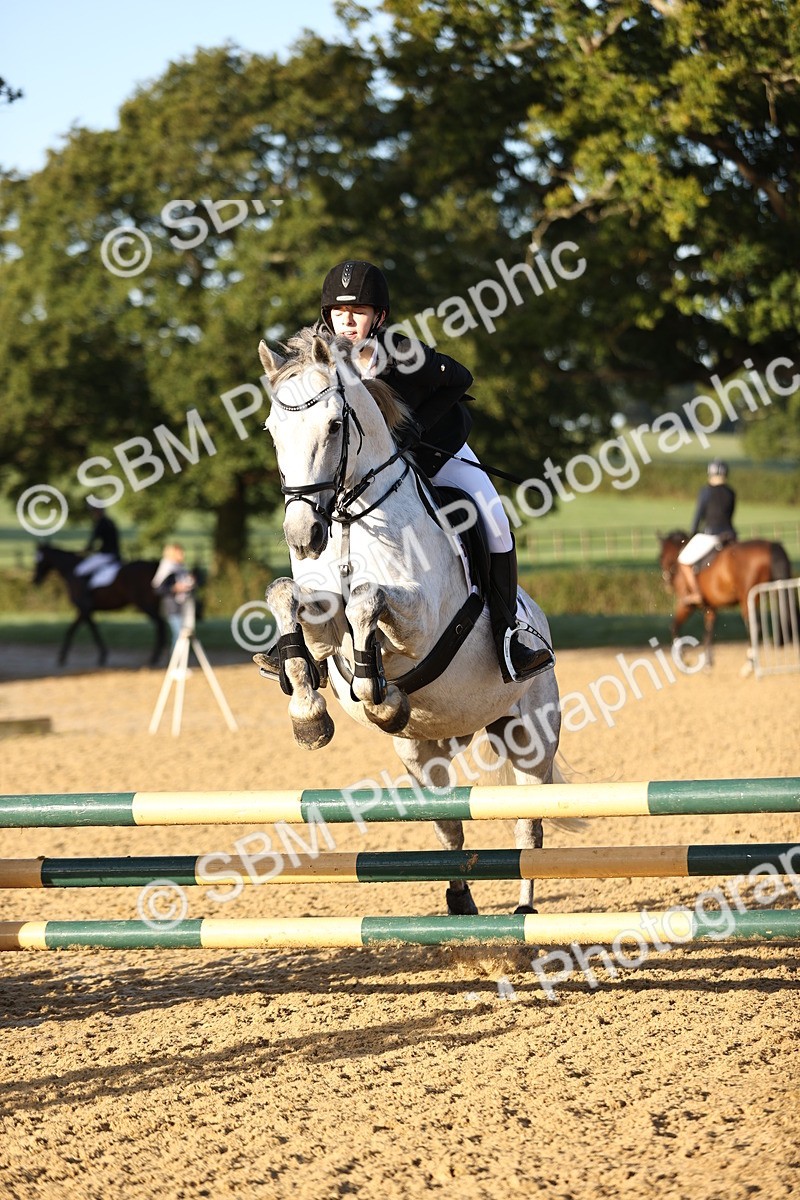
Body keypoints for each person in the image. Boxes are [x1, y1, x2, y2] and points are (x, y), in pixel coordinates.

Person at [315, 258, 554, 682]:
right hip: (373, 473)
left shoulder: (402, 353)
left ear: (379, 317)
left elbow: (461, 378)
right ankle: (300, 644)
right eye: (338, 312)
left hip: (439, 451)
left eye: (357, 312)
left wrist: (415, 429)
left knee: (495, 522)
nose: (346, 321)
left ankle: (509, 636)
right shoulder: (325, 366)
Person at [676, 460, 737, 605]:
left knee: (683, 560)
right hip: (730, 535)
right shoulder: (731, 492)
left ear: (710, 474)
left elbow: (698, 515)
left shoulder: (706, 491)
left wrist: (692, 534)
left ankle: (696, 593)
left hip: (711, 535)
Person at [72, 498, 122, 609]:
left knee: (79, 571)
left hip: (106, 555)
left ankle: (85, 598)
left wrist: (84, 551)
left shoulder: (101, 523)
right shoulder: (110, 522)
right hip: (114, 555)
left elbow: (92, 543)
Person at [152, 543, 196, 649]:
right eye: (180, 552)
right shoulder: (167, 568)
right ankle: (176, 662)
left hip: (184, 606)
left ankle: (182, 662)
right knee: (179, 634)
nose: (182, 555)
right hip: (172, 606)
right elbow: (158, 588)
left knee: (186, 634)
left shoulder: (181, 568)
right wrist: (174, 588)